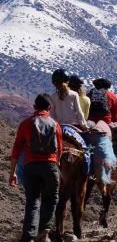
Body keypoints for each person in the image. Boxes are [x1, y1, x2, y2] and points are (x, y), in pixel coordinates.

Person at [9, 94, 63, 242]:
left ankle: (28, 237)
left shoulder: (26, 124)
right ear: (49, 108)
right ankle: (43, 233)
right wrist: (55, 168)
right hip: (50, 166)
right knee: (52, 198)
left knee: (32, 201)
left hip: (30, 167)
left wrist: (12, 172)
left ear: (34, 107)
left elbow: (16, 150)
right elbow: (59, 151)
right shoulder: (55, 125)